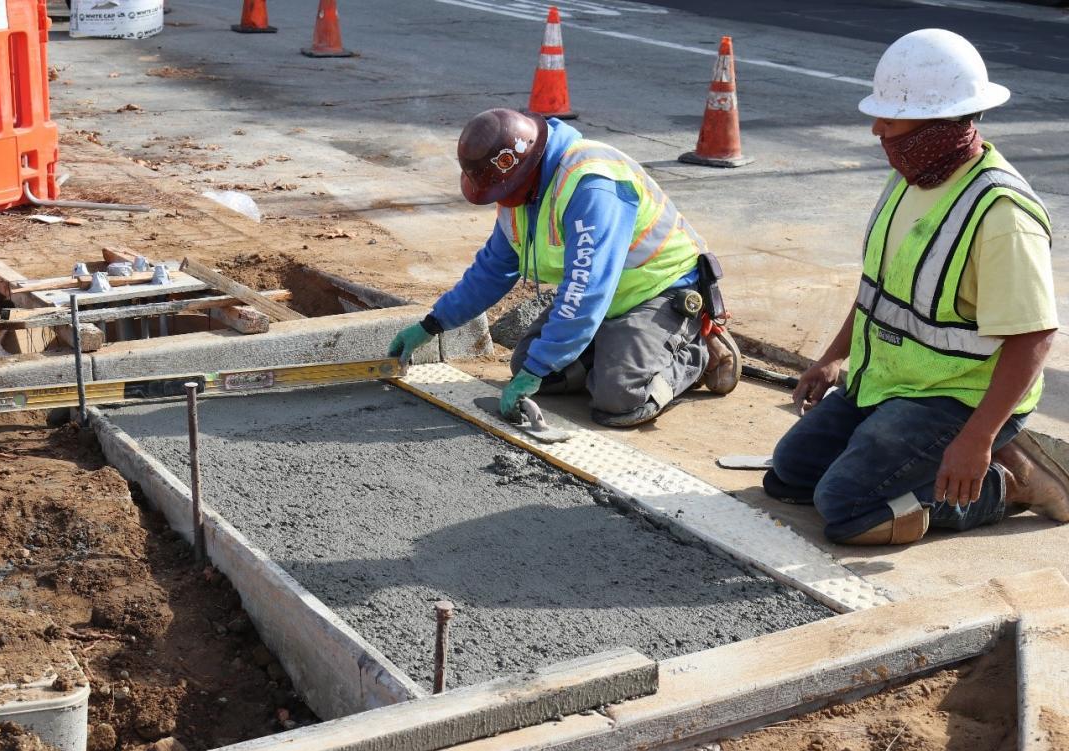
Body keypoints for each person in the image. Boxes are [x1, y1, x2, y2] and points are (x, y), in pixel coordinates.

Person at [764, 29, 1067, 546]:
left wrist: (977, 437)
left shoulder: (1001, 213)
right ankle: (931, 459)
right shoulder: (912, 175)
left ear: (941, 123)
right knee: (789, 476)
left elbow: (1033, 337)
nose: (878, 128)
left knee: (847, 508)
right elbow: (879, 291)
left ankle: (1007, 480)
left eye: (892, 117)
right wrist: (835, 356)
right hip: (889, 383)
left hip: (958, 399)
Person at [388, 108, 741, 428]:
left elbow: (585, 291)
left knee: (620, 399)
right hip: (606, 302)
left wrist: (541, 366)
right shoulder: (520, 196)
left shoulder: (592, 186)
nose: (499, 199)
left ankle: (697, 350)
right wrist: (432, 325)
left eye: (502, 189)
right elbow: (492, 270)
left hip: (659, 291)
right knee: (525, 364)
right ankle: (617, 352)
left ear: (526, 169)